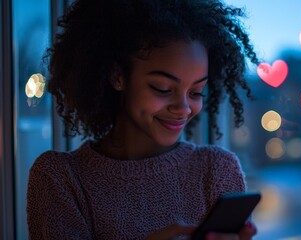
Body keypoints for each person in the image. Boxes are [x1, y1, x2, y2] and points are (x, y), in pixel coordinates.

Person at [26, 0, 260, 239]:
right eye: (162, 88)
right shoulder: (59, 178)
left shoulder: (216, 170)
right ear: (118, 76)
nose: (184, 108)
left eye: (196, 92)